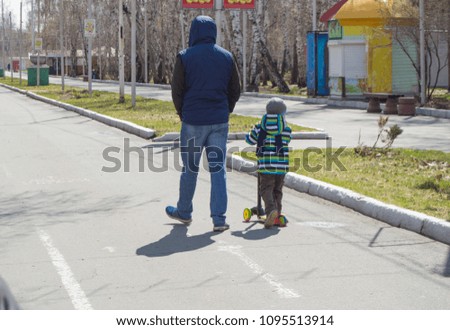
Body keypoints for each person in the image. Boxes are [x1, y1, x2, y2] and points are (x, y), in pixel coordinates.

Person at [166, 15, 241, 233]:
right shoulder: (227, 57)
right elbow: (235, 89)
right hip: (219, 121)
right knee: (218, 170)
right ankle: (219, 219)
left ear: (193, 32)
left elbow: (177, 90)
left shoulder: (185, 56)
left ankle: (184, 212)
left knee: (190, 168)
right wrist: (225, 110)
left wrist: (183, 112)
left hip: (193, 121)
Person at [245, 97, 292, 229]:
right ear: (283, 113)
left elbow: (250, 140)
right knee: (277, 190)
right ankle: (277, 215)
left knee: (266, 188)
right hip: (281, 165)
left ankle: (271, 210)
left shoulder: (260, 127)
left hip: (266, 165)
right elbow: (288, 139)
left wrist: (249, 134)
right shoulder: (286, 128)